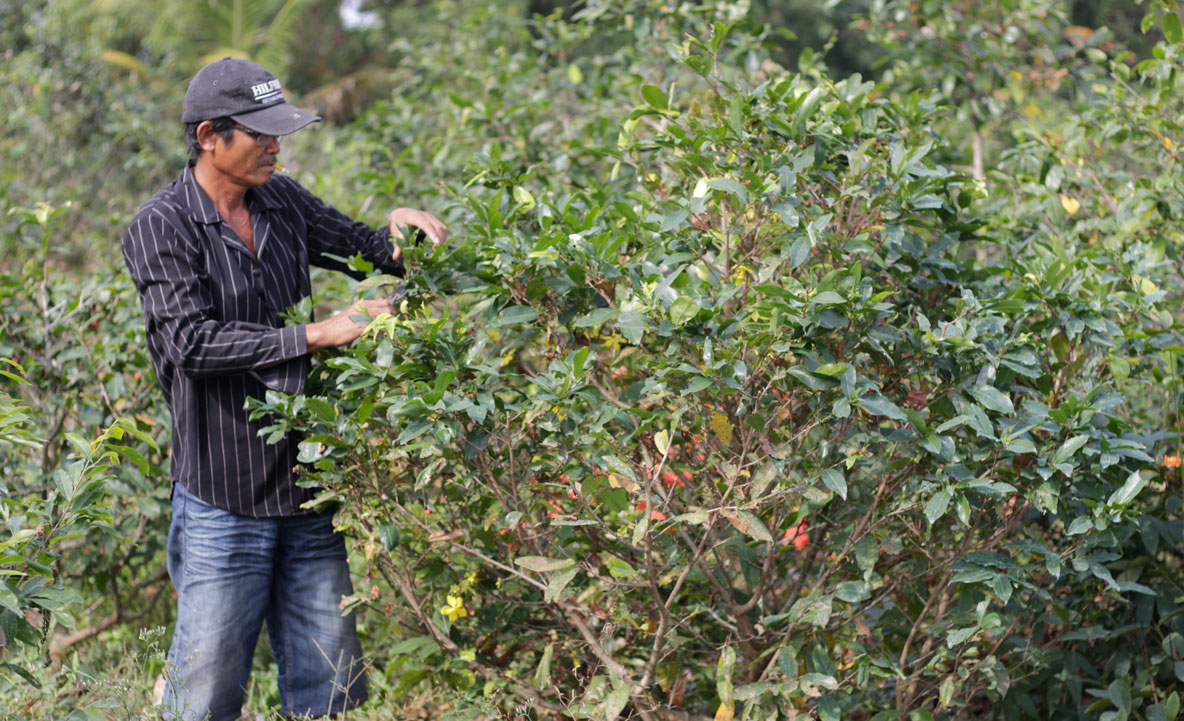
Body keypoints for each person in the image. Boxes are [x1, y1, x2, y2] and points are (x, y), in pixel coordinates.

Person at [121, 57, 447, 720]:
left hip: (306, 488)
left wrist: (400, 229)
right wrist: (318, 334)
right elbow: (192, 343)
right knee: (204, 694)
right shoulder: (160, 226)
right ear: (210, 135)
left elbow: (364, 247)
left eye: (280, 131)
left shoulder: (282, 198)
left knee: (330, 683)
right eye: (260, 133)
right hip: (223, 499)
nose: (276, 144)